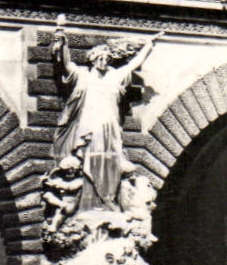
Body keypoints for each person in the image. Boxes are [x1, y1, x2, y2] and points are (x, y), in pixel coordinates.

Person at [51, 18, 159, 213]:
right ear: (92, 59)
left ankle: (109, 200)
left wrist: (149, 46)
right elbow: (66, 64)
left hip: (110, 125)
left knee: (112, 160)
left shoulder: (115, 76)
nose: (103, 61)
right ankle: (89, 201)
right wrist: (63, 41)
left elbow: (134, 64)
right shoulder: (83, 75)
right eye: (99, 58)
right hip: (89, 125)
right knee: (88, 160)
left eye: (106, 58)